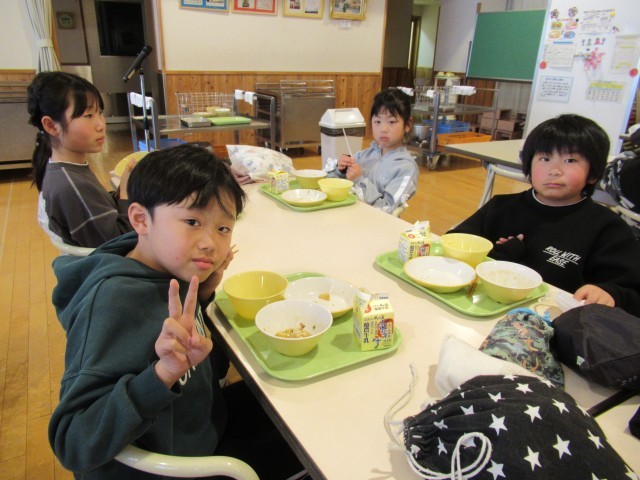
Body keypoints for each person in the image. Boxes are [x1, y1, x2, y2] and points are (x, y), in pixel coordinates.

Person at [48, 144, 304, 479]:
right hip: (177, 467)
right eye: (192, 221)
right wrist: (162, 374)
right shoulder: (113, 303)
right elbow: (72, 443)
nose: (210, 242)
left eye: (223, 228)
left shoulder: (172, 267)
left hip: (201, 424)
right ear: (141, 219)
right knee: (316, 446)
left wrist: (206, 293)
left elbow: (203, 363)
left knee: (298, 402)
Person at [449, 114, 640, 316]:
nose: (554, 170)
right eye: (544, 158)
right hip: (481, 310)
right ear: (529, 165)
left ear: (593, 174)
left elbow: (631, 291)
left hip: (557, 322)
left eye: (570, 160)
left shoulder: (607, 227)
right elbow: (454, 243)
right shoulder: (500, 207)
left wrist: (610, 293)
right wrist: (496, 256)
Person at [28, 71, 133, 248]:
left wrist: (121, 191)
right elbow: (119, 243)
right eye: (88, 115)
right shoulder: (70, 185)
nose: (101, 125)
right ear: (51, 126)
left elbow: (97, 210)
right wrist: (124, 193)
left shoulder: (66, 170)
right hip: (115, 259)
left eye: (100, 113)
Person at [328, 87, 419, 214]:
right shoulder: (364, 155)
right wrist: (341, 170)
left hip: (377, 224)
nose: (383, 129)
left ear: (407, 125)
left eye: (391, 122)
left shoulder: (405, 168)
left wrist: (359, 180)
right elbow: (331, 183)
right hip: (349, 217)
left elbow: (387, 208)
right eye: (377, 121)